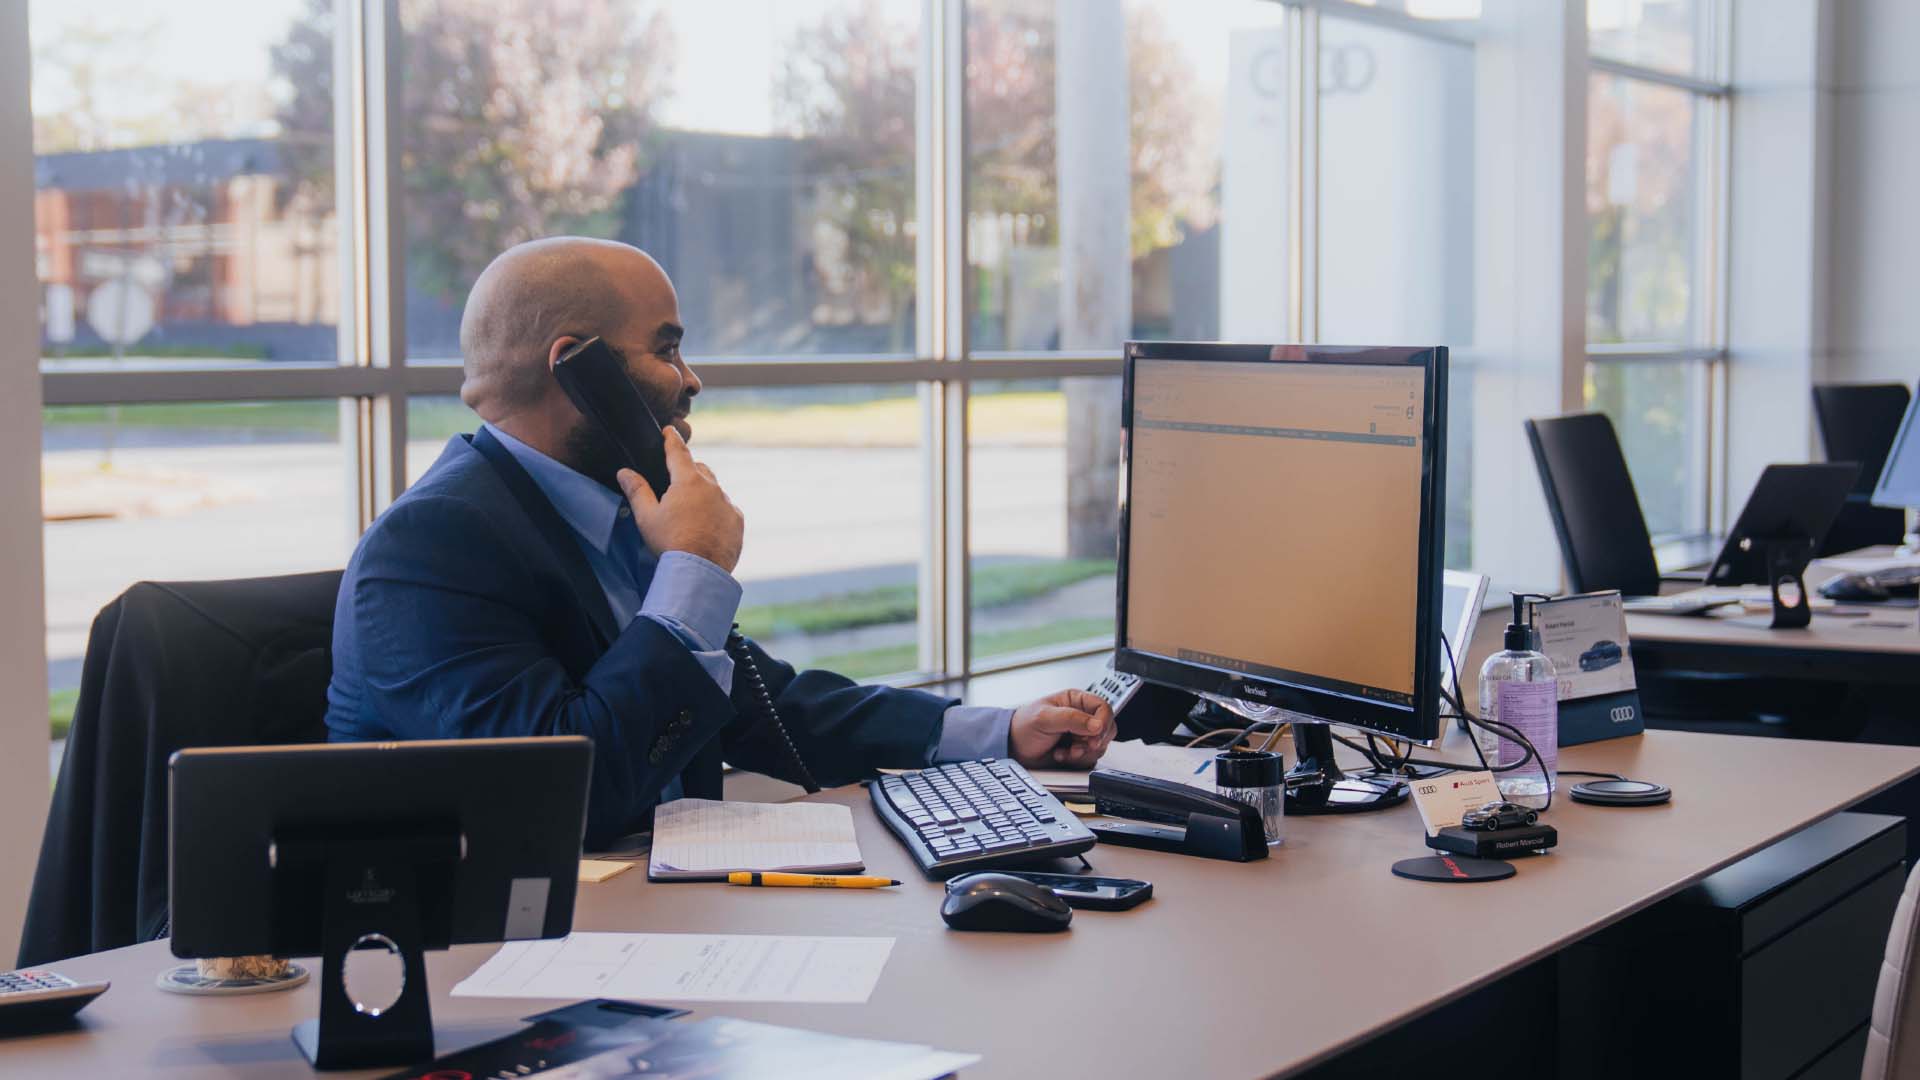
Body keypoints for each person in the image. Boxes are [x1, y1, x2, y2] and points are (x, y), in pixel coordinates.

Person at [325, 237, 1114, 846]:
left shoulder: (608, 509)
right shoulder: (431, 549)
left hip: (648, 919)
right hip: (499, 960)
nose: (692, 379)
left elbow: (759, 706)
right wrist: (692, 570)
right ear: (576, 371)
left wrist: (999, 731)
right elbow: (566, 793)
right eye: (667, 349)